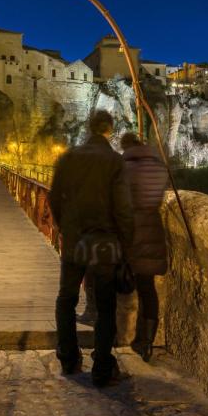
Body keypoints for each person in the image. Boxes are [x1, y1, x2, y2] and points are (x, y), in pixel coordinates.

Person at [50, 110, 134, 387]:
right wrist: (127, 242)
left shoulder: (69, 157)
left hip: (75, 239)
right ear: (109, 130)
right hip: (105, 241)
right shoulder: (115, 161)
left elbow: (54, 198)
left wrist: (65, 227)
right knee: (105, 305)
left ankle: (68, 357)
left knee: (66, 298)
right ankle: (101, 366)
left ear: (89, 128)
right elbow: (123, 207)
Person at [119, 132, 170, 362]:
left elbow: (120, 200)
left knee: (120, 280)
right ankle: (146, 341)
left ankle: (116, 337)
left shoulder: (124, 168)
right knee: (147, 288)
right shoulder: (158, 167)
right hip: (153, 229)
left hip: (131, 231)